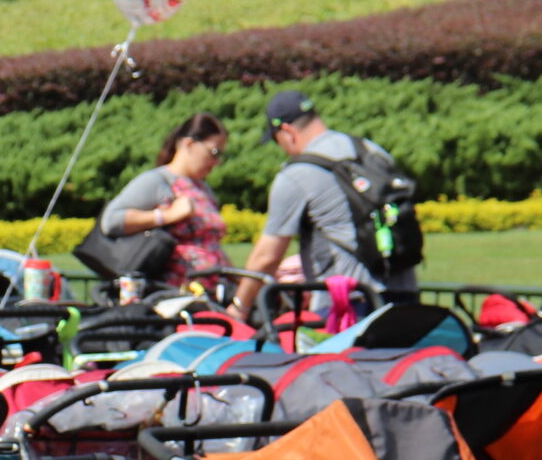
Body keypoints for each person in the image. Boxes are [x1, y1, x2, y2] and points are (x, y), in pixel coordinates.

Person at [230, 88, 418, 318]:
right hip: (404, 295)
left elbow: (267, 257)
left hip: (346, 304)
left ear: (287, 132)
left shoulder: (297, 173)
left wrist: (240, 307)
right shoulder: (372, 150)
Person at [95, 112, 229, 291]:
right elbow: (111, 220)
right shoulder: (157, 181)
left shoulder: (203, 188)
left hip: (209, 292)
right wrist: (166, 216)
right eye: (214, 152)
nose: (217, 162)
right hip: (171, 294)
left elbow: (211, 244)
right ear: (189, 144)